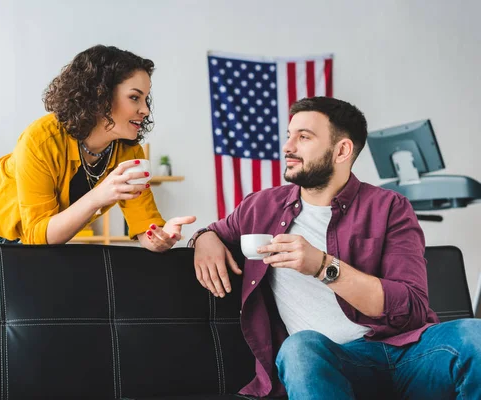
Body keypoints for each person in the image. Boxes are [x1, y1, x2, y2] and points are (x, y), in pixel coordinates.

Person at [190, 97, 481, 399]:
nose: (288, 147)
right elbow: (212, 231)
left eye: (303, 137)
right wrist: (203, 238)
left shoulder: (389, 207)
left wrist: (323, 267)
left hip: (407, 354)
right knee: (299, 349)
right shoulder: (261, 207)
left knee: (476, 336)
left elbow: (412, 308)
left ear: (342, 150)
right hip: (333, 362)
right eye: (289, 135)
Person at [0, 45, 195, 250]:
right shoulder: (42, 138)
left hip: (18, 237)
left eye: (146, 99)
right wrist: (101, 194)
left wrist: (161, 237)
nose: (145, 110)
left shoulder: (129, 152)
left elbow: (144, 227)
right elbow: (38, 235)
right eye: (135, 97)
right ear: (100, 96)